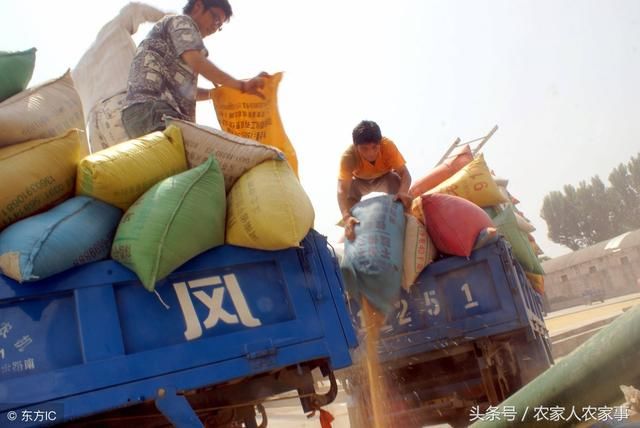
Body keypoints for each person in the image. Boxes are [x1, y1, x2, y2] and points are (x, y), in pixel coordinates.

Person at [121, 0, 266, 139]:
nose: (215, 27)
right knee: (216, 151)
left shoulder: (172, 37)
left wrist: (214, 94)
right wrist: (242, 86)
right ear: (198, 6)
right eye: (215, 18)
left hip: (140, 114)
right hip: (154, 110)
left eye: (219, 25)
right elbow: (197, 61)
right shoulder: (182, 22)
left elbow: (186, 91)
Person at [337, 120, 412, 241]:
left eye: (374, 147)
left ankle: (403, 220)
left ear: (380, 142)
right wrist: (345, 216)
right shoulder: (348, 157)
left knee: (397, 184)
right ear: (356, 147)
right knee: (349, 193)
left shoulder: (388, 146)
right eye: (364, 149)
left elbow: (405, 174)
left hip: (385, 177)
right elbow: (342, 190)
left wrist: (403, 192)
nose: (370, 153)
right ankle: (351, 226)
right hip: (360, 182)